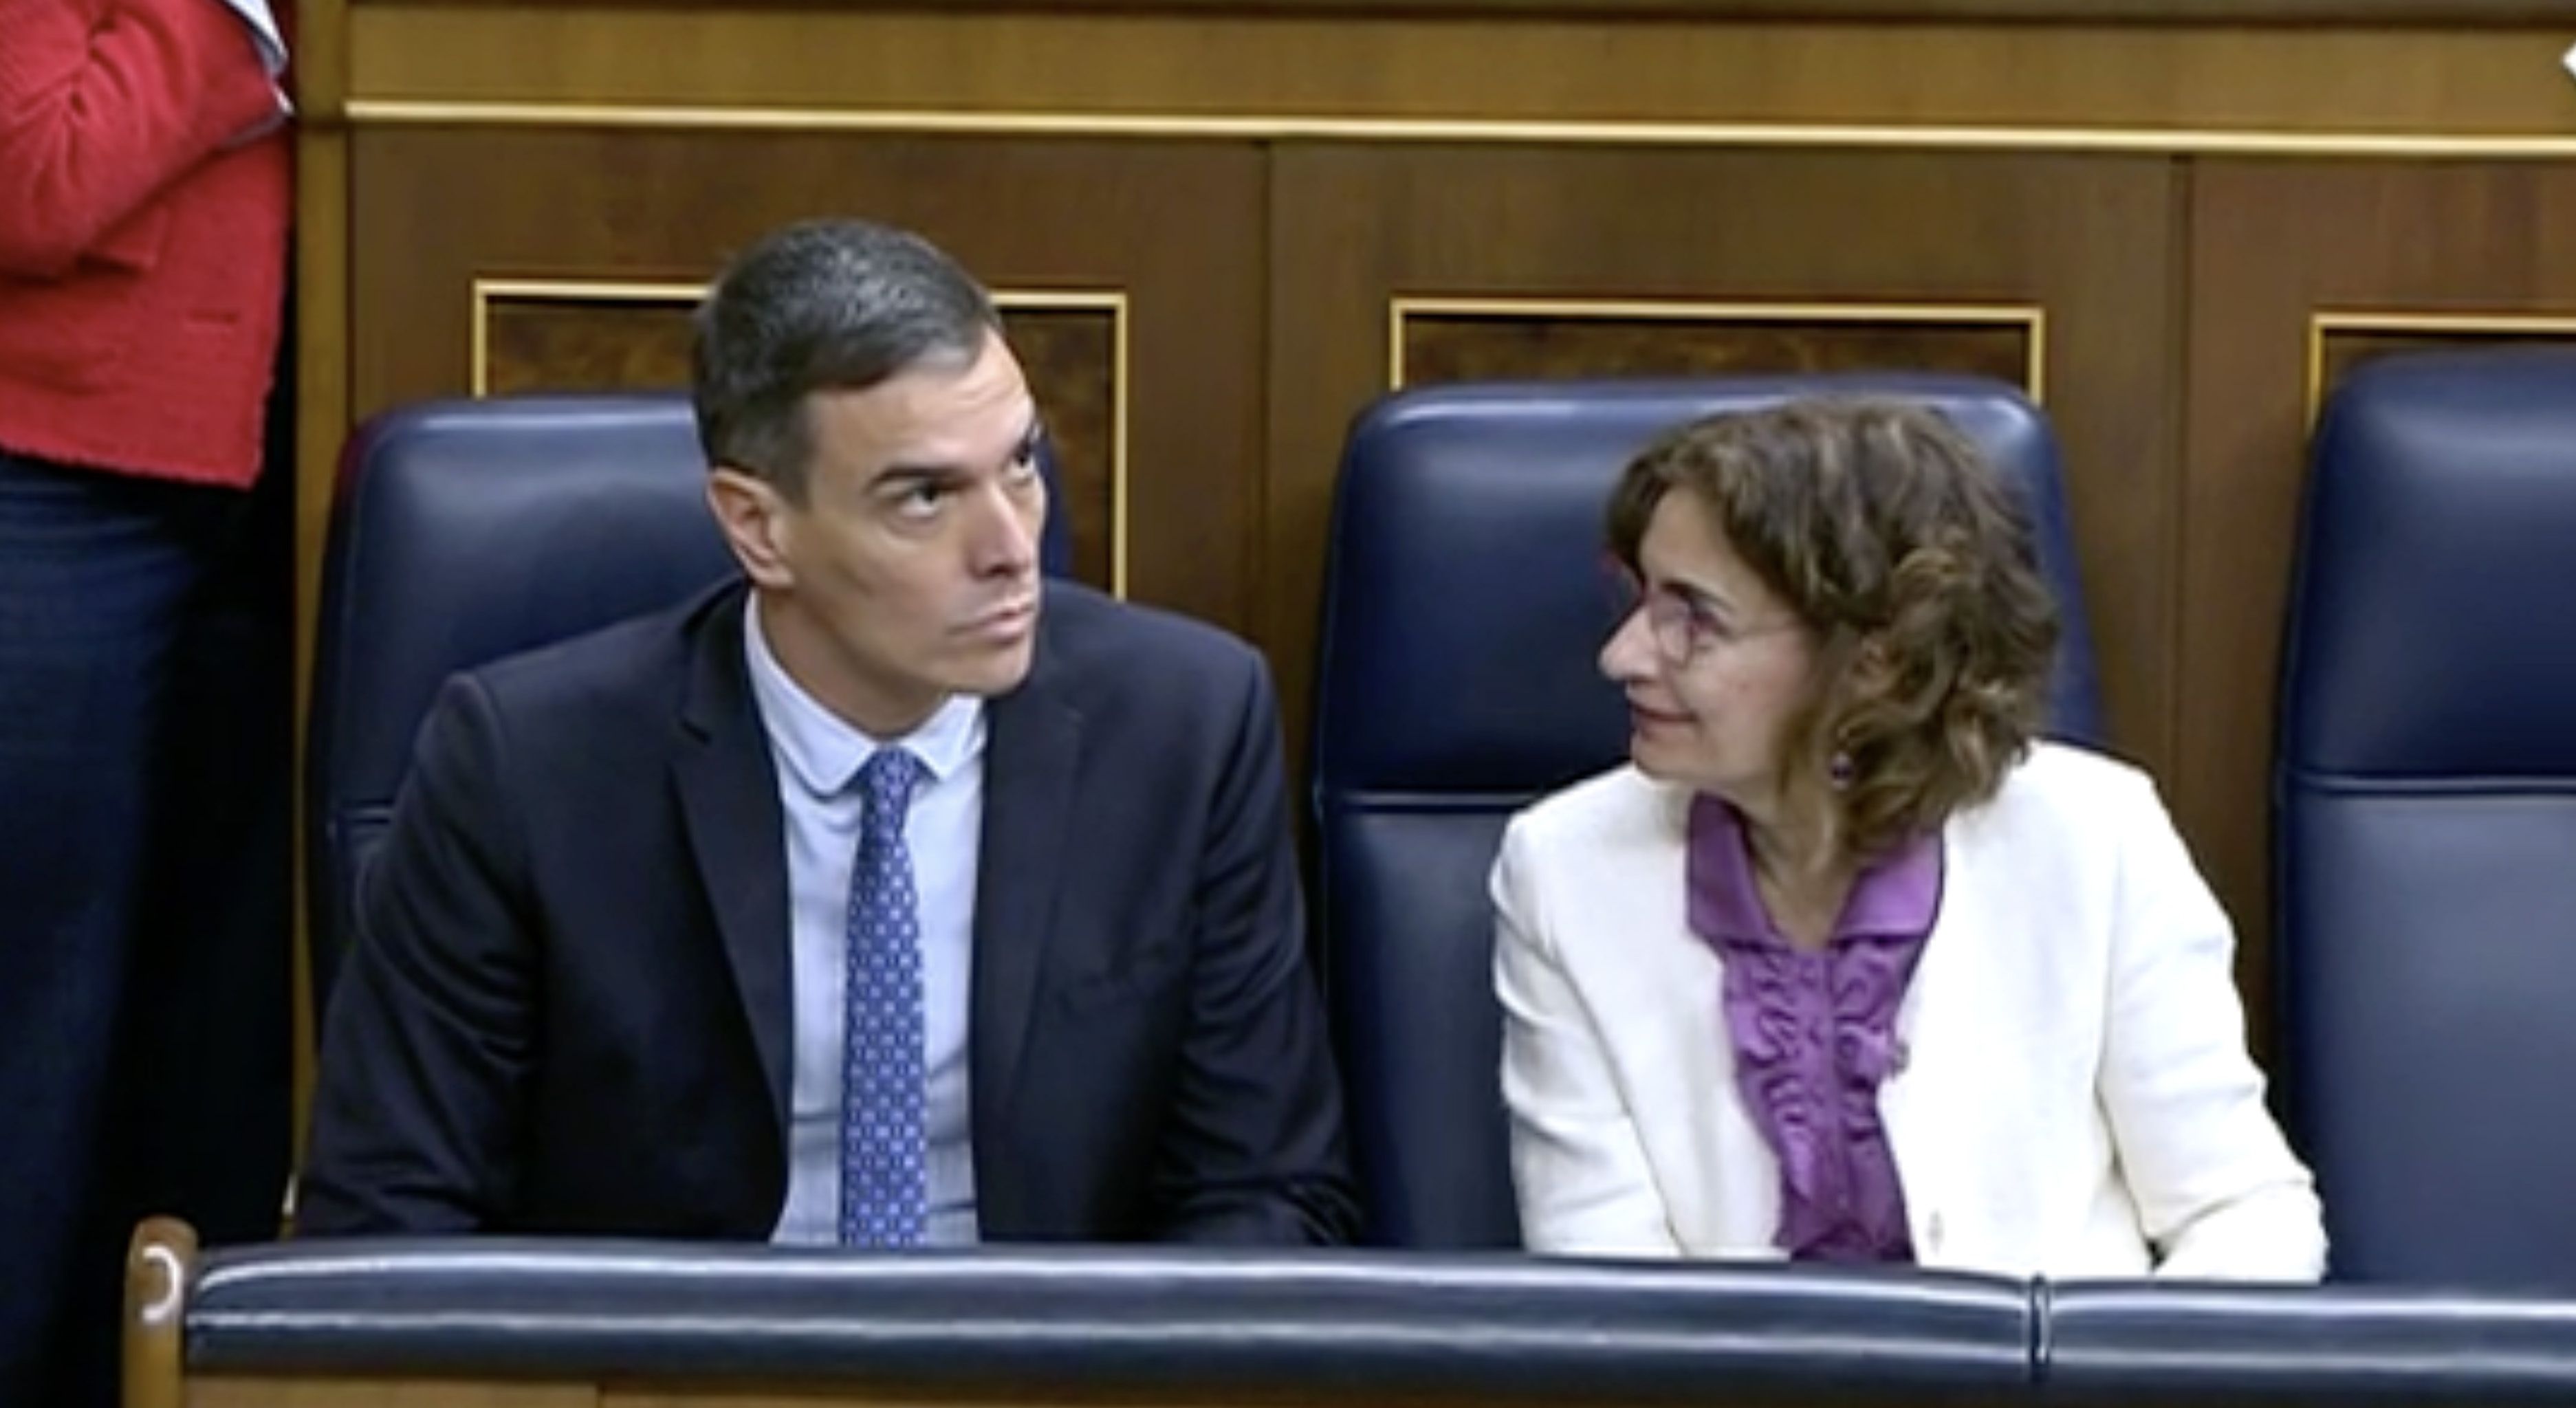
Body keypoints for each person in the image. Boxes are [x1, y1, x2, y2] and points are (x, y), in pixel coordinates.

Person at [298, 217, 1357, 1247]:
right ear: (757, 526)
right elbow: (391, 1219)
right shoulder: (525, 768)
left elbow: (1266, 1198)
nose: (1010, 547)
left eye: (1021, 465)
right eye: (925, 497)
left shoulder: (1187, 728)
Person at [1492, 399, 2324, 1279]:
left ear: (1872, 658)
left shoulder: (2094, 839)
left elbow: (2242, 1215)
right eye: (1641, 599)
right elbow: (1604, 1298)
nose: (1621, 656)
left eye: (1692, 618)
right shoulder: (1562, 870)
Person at [1, 0, 292, 1400]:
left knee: (201, 1037)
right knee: (31, 1022)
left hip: (265, 455)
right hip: (45, 467)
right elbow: (36, 177)